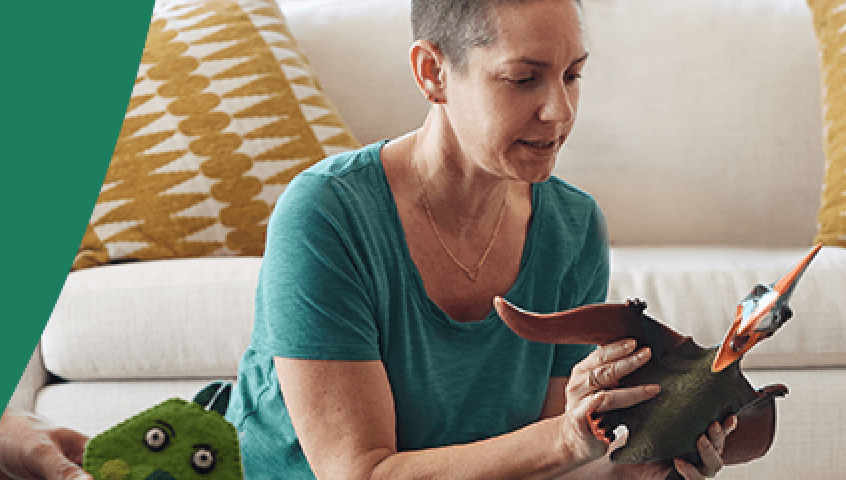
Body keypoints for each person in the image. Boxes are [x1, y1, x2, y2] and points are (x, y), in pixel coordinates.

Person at [226, 0, 770, 478]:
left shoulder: (573, 226)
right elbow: (359, 473)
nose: (559, 110)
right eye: (523, 78)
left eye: (572, 75)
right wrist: (563, 439)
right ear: (433, 72)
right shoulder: (327, 213)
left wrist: (633, 472)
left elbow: (543, 463)